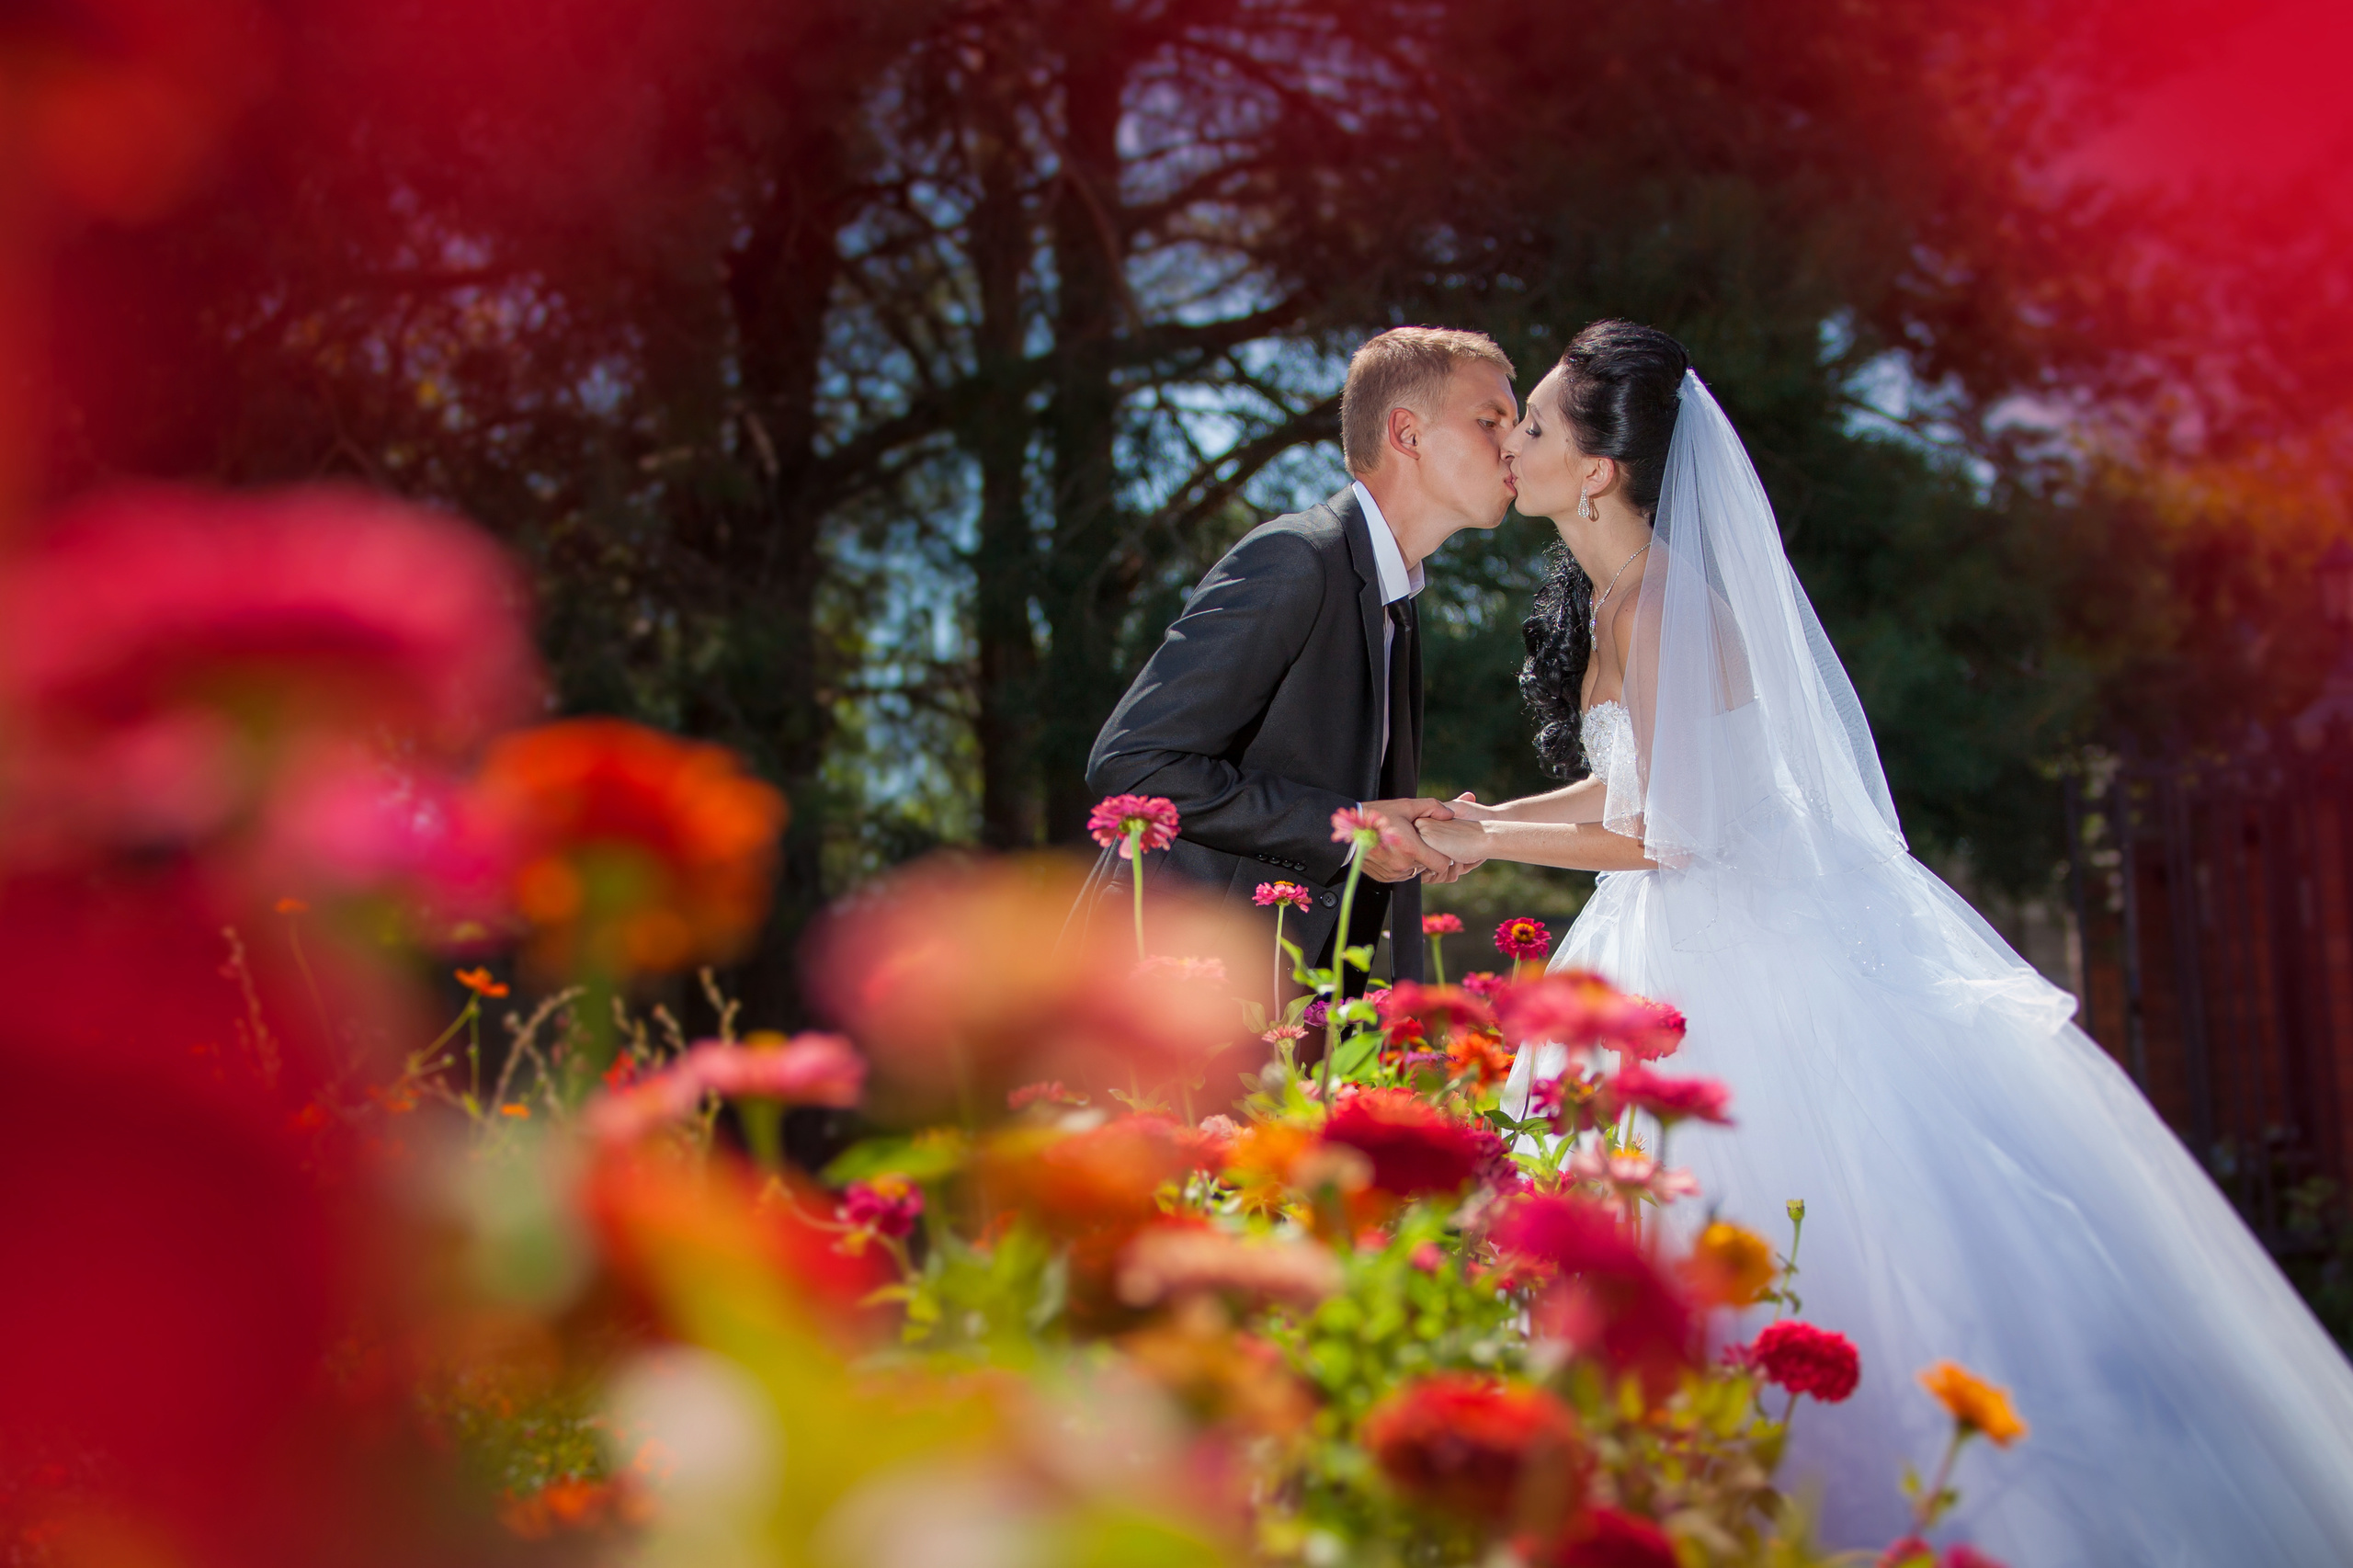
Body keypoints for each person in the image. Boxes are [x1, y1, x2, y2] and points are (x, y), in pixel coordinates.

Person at [1415, 320, 2353, 1564]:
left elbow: (1673, 834)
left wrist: (1482, 849)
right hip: (1668, 929)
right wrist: (1477, 821)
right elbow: (1635, 795)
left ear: (1597, 469)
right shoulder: (1612, 596)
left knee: (1804, 1235)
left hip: (1739, 950)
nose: (1510, 442)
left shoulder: (1659, 603)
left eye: (1531, 424)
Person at [1086, 326, 1513, 994]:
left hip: (1284, 1011)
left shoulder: (1394, 596)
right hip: (1175, 999)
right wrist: (1352, 832)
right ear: (1407, 433)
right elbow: (1136, 762)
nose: (1512, 444)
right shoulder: (1295, 559)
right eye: (1490, 420)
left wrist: (1396, 836)